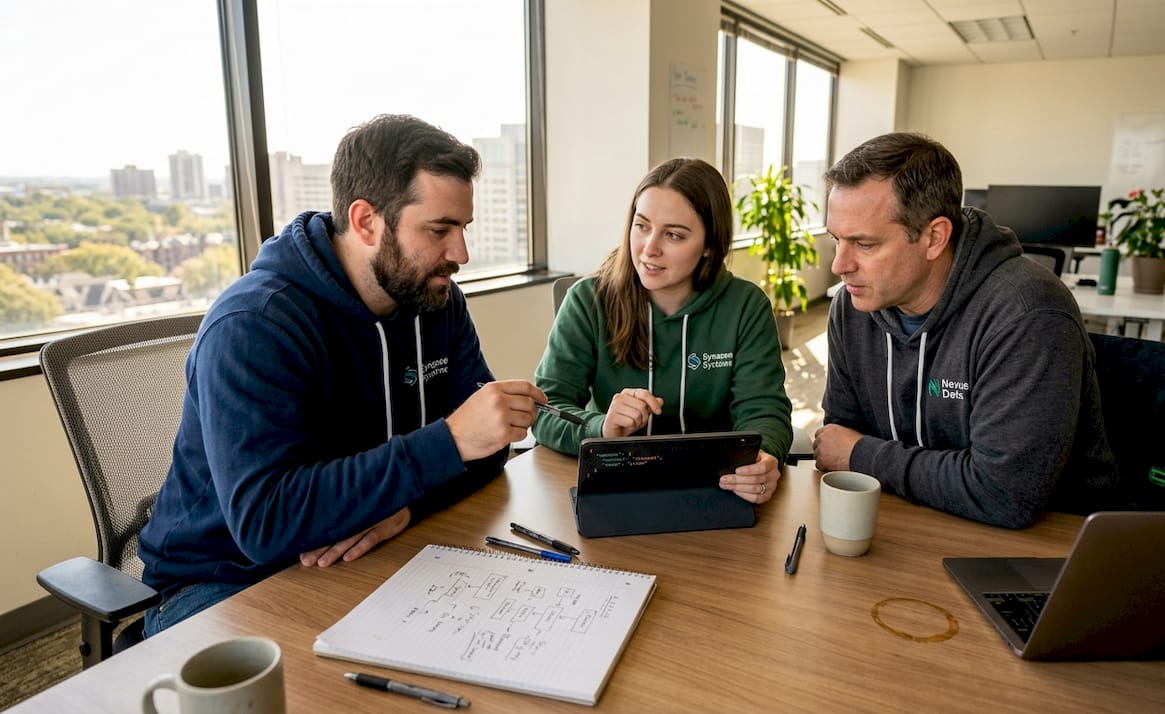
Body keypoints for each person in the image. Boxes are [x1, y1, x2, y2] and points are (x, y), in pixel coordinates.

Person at [138, 114, 546, 634]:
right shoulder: (255, 325)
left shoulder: (435, 301)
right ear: (366, 221)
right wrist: (446, 445)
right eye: (439, 230)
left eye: (463, 229)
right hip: (224, 579)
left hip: (362, 549)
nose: (460, 254)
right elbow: (265, 523)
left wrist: (406, 505)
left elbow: (485, 449)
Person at [813, 132, 1119, 528]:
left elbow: (1004, 493)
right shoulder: (852, 307)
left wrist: (861, 455)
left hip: (1048, 542)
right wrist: (854, 453)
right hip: (908, 519)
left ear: (934, 238)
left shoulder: (1027, 313)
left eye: (864, 244)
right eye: (836, 239)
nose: (839, 266)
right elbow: (837, 440)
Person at [532, 157, 793, 503]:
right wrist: (602, 427)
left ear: (710, 244)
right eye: (641, 226)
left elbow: (764, 410)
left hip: (715, 486)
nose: (649, 248)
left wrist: (764, 458)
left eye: (673, 235)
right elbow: (546, 409)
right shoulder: (587, 300)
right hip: (615, 484)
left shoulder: (746, 305)